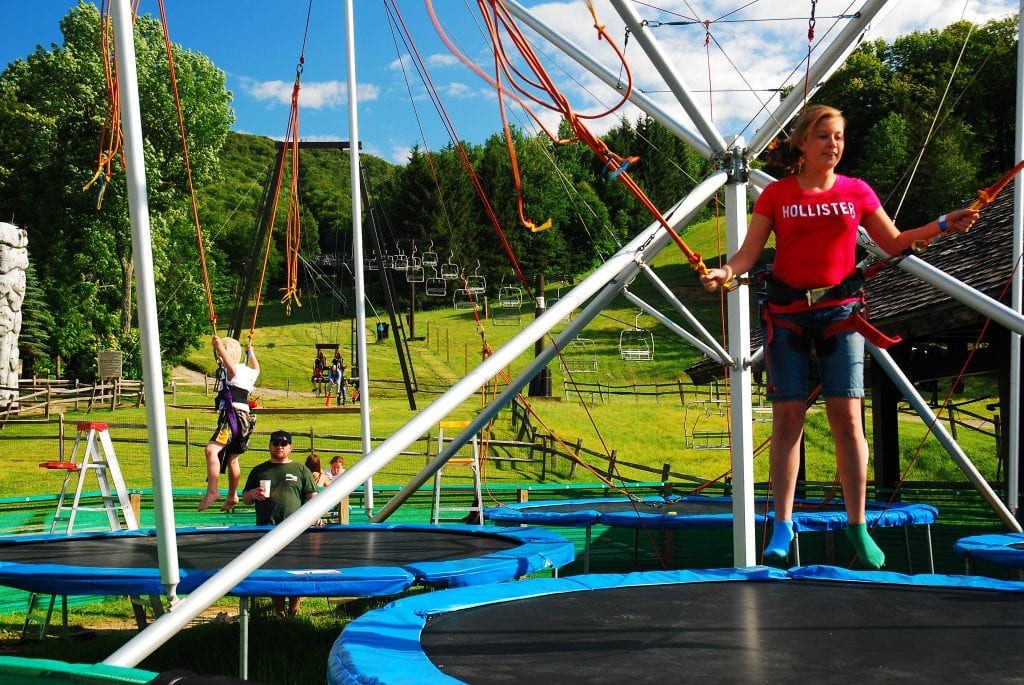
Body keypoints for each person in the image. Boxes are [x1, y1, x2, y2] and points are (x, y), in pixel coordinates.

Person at [700, 104, 978, 569]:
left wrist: (944, 224)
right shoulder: (778, 196)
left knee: (847, 418)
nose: (834, 145)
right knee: (788, 420)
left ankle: (857, 522)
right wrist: (725, 272)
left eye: (840, 138)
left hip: (840, 311)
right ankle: (783, 524)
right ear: (803, 143)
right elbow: (749, 253)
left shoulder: (856, 191)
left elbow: (891, 242)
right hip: (788, 313)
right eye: (826, 137)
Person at [242, 430, 319, 616]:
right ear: (269, 446)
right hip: (266, 528)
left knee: (296, 569)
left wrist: (316, 515)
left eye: (283, 444)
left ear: (290, 447)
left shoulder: (301, 470)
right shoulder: (259, 470)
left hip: (296, 529)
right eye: (275, 443)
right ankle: (279, 612)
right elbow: (245, 498)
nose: (279, 447)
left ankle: (294, 609)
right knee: (272, 571)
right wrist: (251, 494)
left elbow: (312, 497)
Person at [199, 336, 259, 512]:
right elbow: (257, 368)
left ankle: (212, 491)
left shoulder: (232, 371)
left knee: (211, 450)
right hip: (246, 420)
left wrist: (219, 347)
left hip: (233, 417)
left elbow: (231, 366)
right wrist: (252, 353)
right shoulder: (249, 372)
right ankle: (233, 495)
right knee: (232, 459)